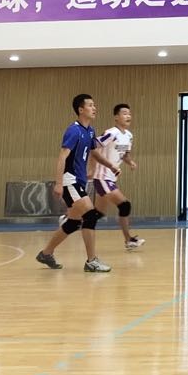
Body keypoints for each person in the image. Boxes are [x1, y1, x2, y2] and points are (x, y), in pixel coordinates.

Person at [35, 94, 122, 273]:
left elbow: (94, 153)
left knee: (73, 223)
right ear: (81, 110)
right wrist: (59, 183)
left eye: (94, 105)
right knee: (90, 215)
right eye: (90, 105)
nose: (94, 108)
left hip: (79, 181)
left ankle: (46, 253)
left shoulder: (89, 131)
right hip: (70, 180)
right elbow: (62, 157)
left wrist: (111, 165)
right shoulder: (73, 131)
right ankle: (91, 261)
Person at [91, 104, 144, 250]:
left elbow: (124, 155)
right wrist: (91, 168)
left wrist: (130, 162)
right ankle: (129, 240)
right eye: (124, 113)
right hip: (102, 177)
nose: (128, 116)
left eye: (129, 114)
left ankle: (70, 220)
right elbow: (92, 146)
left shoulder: (129, 136)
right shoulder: (111, 133)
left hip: (111, 178)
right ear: (116, 117)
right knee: (124, 205)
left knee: (98, 213)